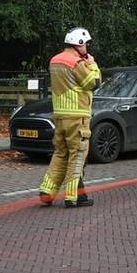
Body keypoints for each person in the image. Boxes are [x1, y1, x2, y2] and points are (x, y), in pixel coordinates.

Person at [38, 28, 102, 207]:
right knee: (78, 155)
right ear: (79, 44)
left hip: (59, 114)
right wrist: (93, 64)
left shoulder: (55, 60)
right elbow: (93, 83)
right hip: (77, 116)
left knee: (60, 153)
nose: (87, 48)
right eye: (86, 44)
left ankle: (47, 191)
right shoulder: (77, 62)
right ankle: (74, 197)